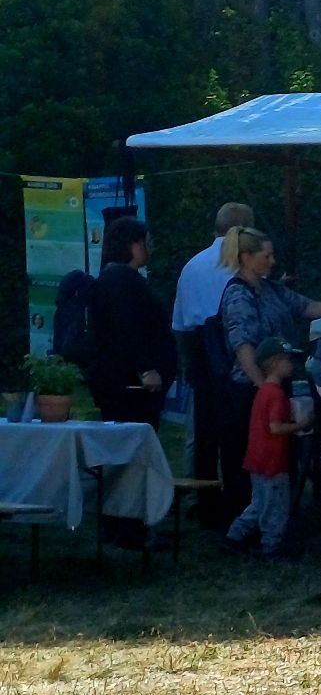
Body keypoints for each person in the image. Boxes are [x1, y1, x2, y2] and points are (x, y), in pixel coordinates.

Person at [216, 226, 321, 519]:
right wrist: (263, 388)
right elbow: (243, 346)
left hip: (271, 386)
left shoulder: (270, 288)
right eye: (266, 255)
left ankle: (275, 514)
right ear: (246, 257)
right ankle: (248, 516)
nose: (273, 261)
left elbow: (307, 307)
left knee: (279, 453)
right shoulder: (238, 295)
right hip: (250, 390)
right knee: (254, 454)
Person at [90, 218, 179, 548]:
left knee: (121, 454)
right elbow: (127, 332)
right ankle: (130, 528)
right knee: (132, 455)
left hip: (122, 384)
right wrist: (146, 369)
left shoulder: (114, 280)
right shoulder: (122, 282)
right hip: (132, 389)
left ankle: (120, 524)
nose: (150, 248)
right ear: (134, 245)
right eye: (147, 241)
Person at [174, 203, 254, 527]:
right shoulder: (241, 263)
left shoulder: (192, 266)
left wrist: (187, 362)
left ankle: (204, 500)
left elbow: (179, 322)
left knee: (204, 433)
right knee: (238, 432)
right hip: (235, 352)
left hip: (199, 352)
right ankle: (239, 501)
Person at [223, 337, 298, 556]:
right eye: (287, 360)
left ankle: (234, 536)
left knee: (259, 504)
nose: (291, 364)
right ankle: (271, 547)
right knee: (276, 507)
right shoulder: (276, 394)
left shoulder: (262, 391)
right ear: (275, 363)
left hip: (257, 460)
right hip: (273, 462)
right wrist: (303, 423)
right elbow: (275, 428)